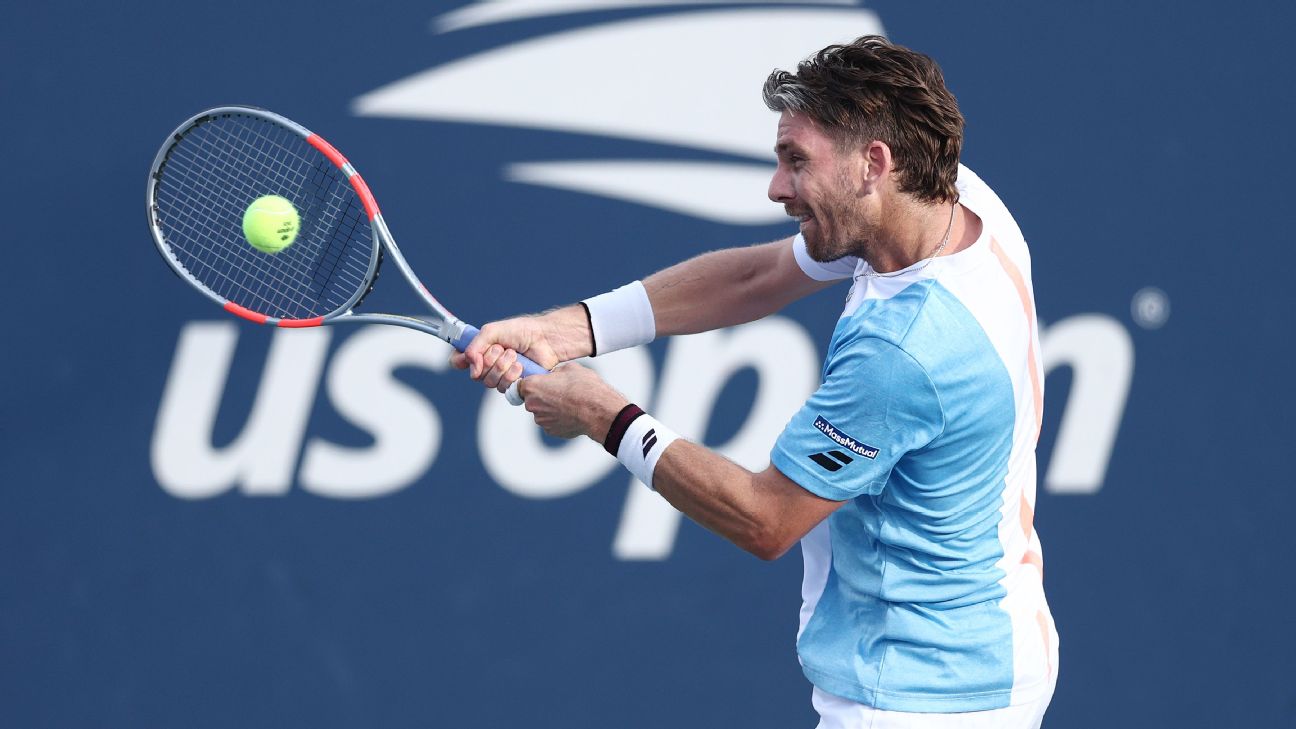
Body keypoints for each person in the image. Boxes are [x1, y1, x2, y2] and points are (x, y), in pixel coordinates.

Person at [451, 35, 1057, 729]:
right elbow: (757, 276)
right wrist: (565, 329)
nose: (776, 187)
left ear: (874, 164)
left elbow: (765, 518)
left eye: (797, 161)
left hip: (913, 696)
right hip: (995, 653)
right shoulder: (956, 204)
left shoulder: (905, 352)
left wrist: (603, 414)